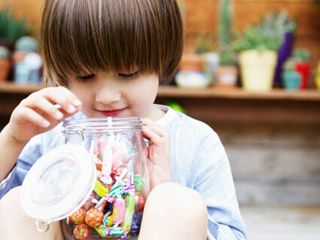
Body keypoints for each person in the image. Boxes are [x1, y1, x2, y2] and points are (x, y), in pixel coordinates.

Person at [0, 0, 246, 239]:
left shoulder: (197, 142)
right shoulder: (51, 133)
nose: (106, 96)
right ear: (64, 73)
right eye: (85, 76)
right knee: (18, 203)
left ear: (162, 62)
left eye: (128, 74)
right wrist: (12, 139)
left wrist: (164, 199)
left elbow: (232, 235)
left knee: (177, 201)